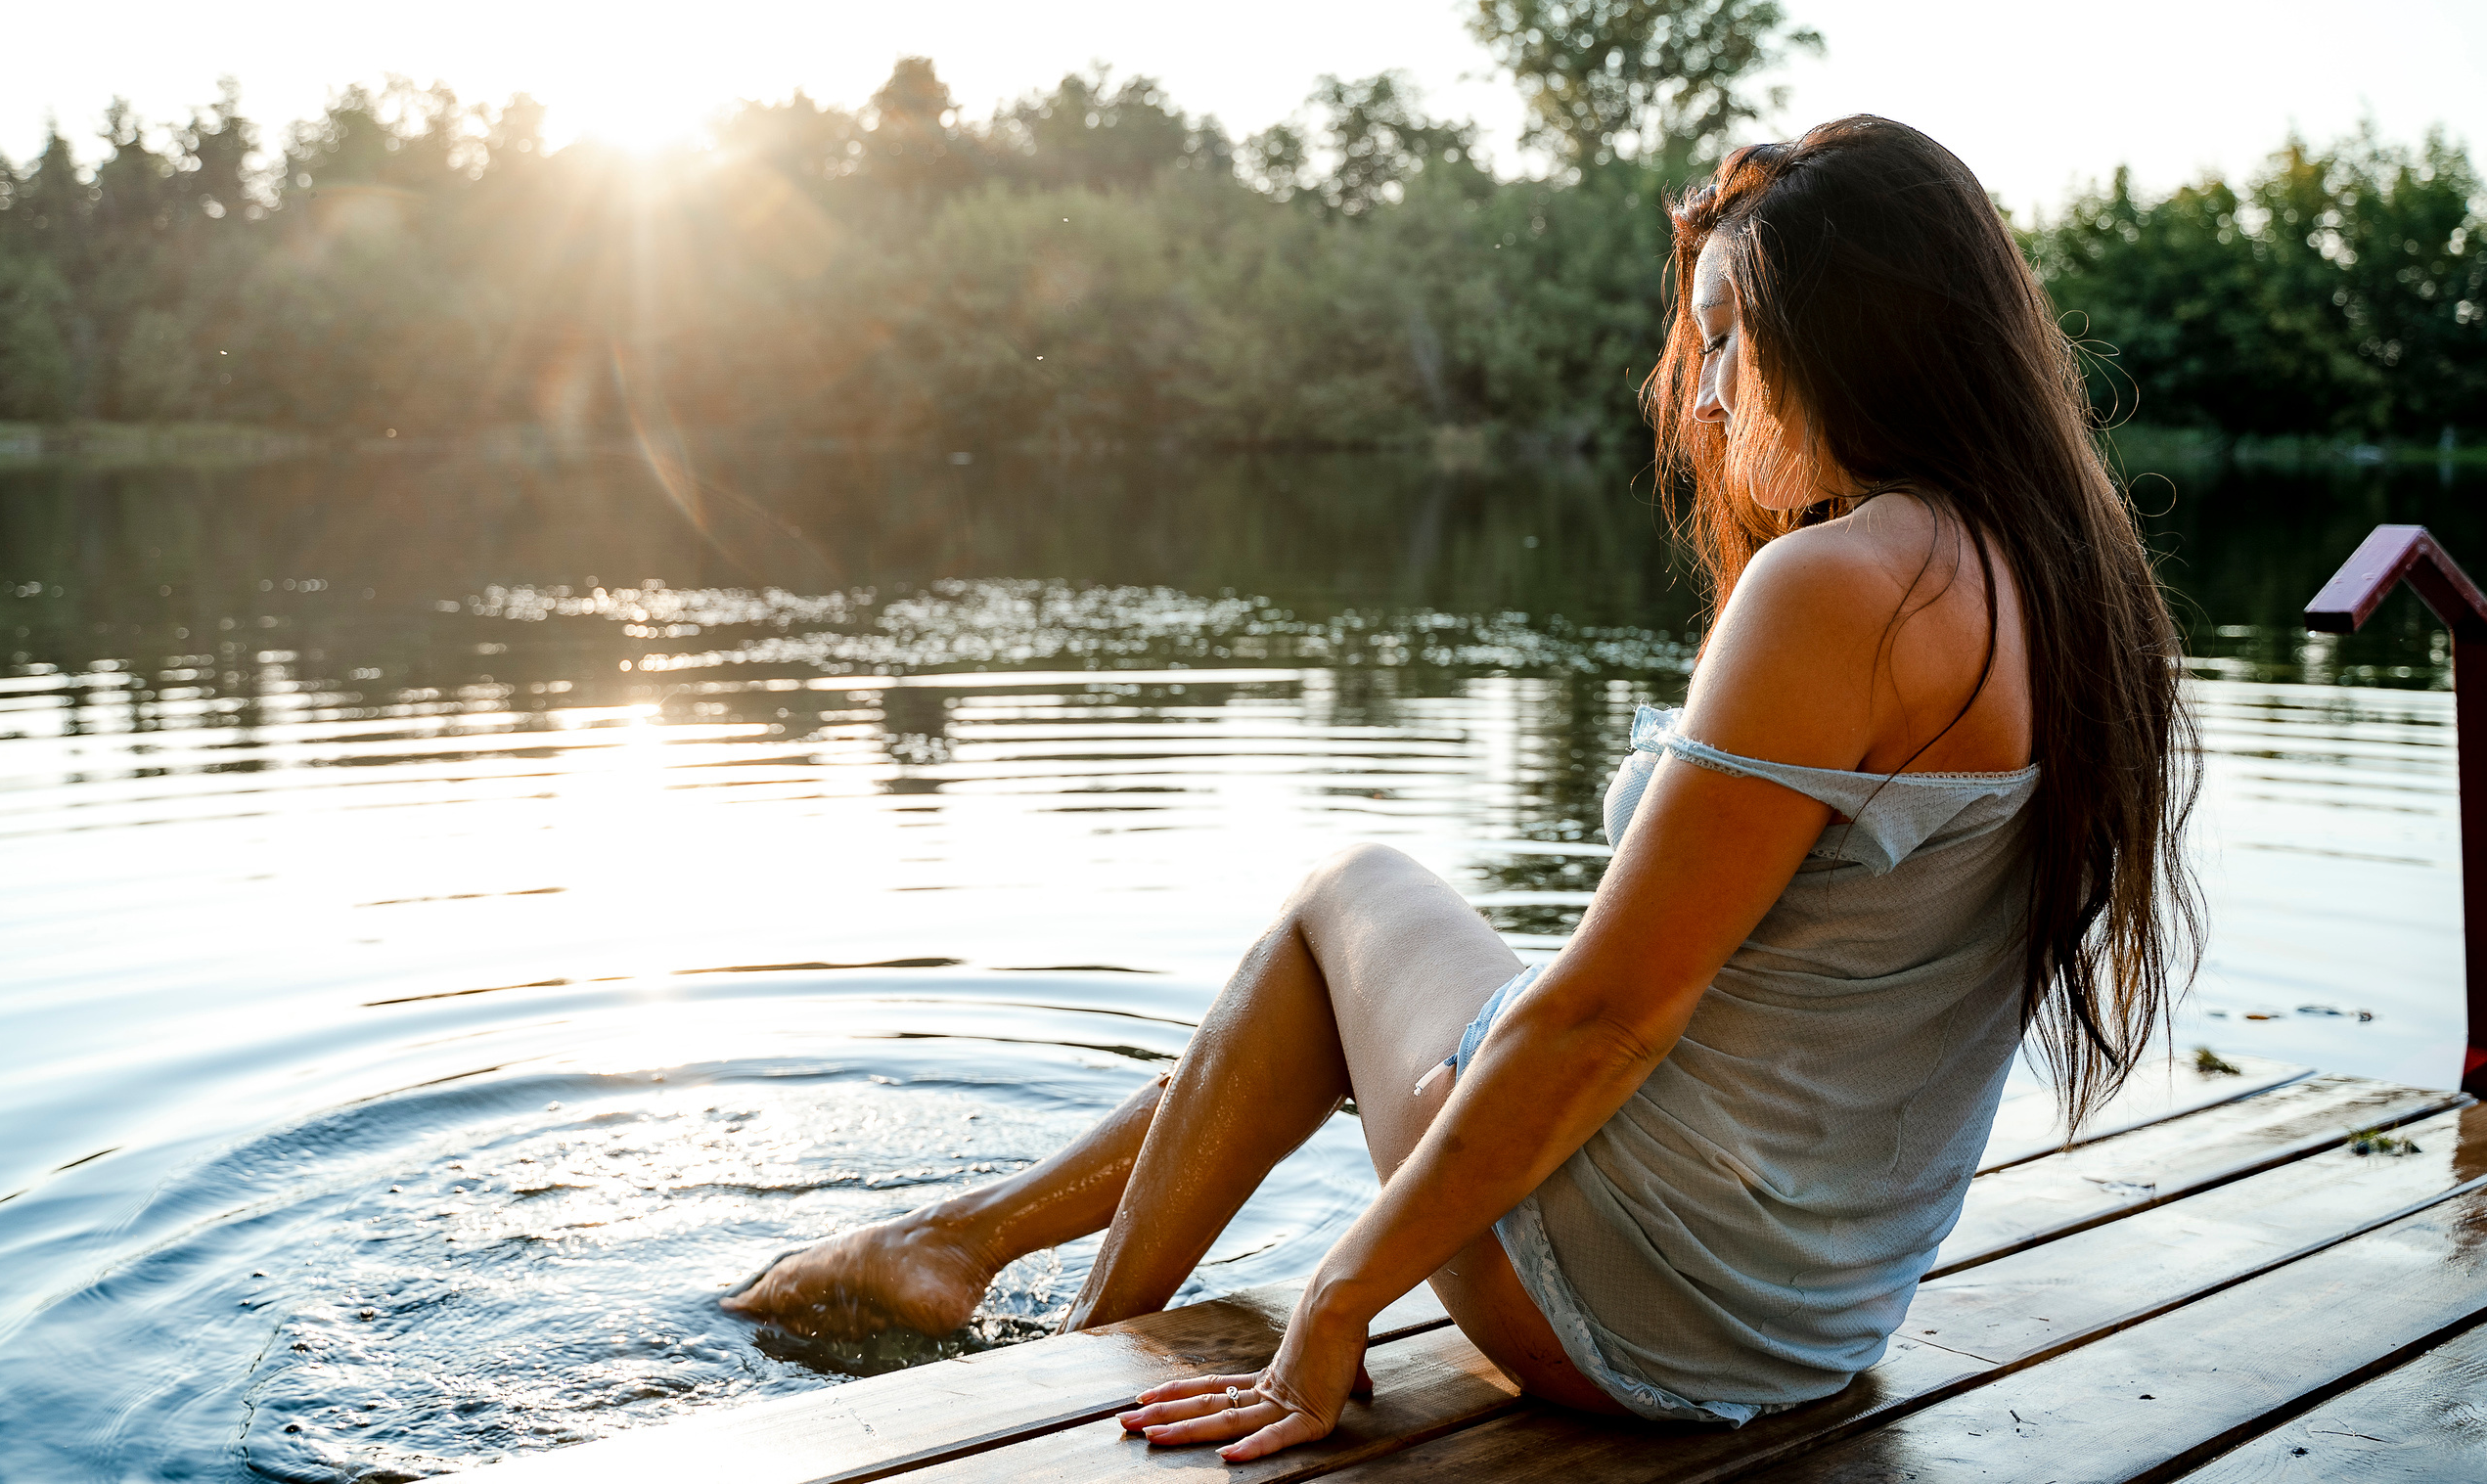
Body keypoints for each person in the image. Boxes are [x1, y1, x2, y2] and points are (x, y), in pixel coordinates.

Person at [720, 114, 2199, 1462]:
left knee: (1344, 899)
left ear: (1856, 339)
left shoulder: (1845, 584)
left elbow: (1614, 1021)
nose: (1711, 395)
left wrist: (1341, 1292)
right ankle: (962, 1249)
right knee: (1374, 983)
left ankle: (1036, 1361)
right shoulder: (2063, 584)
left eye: (1734, 335)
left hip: (1639, 1310)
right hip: (1814, 1317)